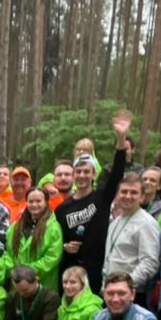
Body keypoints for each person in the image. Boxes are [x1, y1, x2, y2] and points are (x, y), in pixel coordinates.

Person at [56, 113, 131, 291]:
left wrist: (121, 139)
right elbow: (55, 240)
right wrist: (64, 247)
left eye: (86, 171)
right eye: (78, 172)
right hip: (70, 270)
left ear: (93, 174)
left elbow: (117, 173)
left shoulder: (102, 197)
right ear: (73, 175)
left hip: (95, 268)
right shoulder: (62, 209)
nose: (82, 175)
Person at [103, 172, 160, 297]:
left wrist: (128, 284)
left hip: (131, 293)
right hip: (111, 290)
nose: (128, 196)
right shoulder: (115, 222)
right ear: (117, 195)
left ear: (142, 197)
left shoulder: (147, 223)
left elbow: (150, 262)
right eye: (124, 192)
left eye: (133, 192)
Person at [5, 188, 64, 290]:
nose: (34, 204)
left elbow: (52, 258)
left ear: (46, 202)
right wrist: (14, 271)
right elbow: (8, 252)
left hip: (42, 285)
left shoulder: (53, 228)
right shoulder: (15, 226)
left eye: (38, 201)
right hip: (18, 284)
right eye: (31, 201)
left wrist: (27, 272)